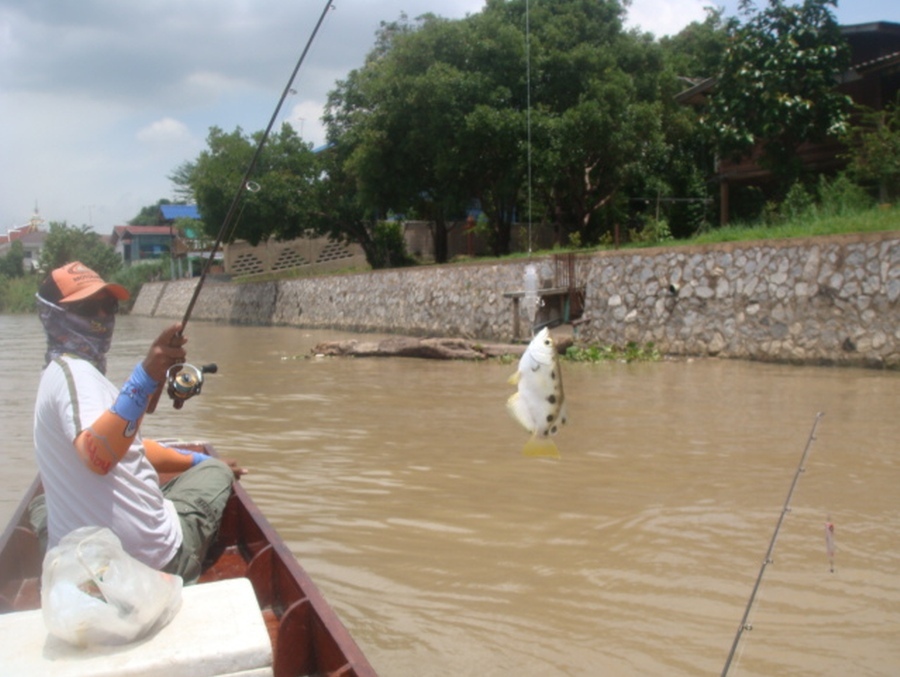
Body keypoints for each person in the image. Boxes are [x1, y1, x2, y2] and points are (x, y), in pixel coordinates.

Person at [31, 261, 245, 583]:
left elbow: (130, 446)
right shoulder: (74, 374)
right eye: (90, 307)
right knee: (218, 471)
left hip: (83, 566)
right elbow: (98, 454)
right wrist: (146, 375)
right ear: (53, 315)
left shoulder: (58, 373)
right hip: (155, 565)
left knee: (41, 504)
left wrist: (196, 459)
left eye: (109, 306)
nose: (103, 317)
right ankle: (179, 554)